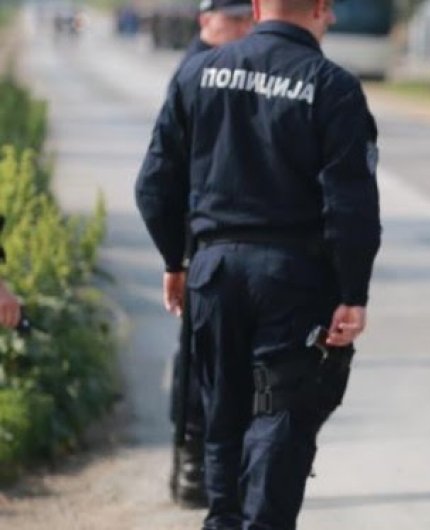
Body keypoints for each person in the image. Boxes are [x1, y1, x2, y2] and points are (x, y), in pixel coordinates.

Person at [135, 0, 381, 528]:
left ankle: (224, 518)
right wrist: (353, 293)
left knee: (222, 411)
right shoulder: (332, 86)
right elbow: (351, 205)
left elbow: (154, 184)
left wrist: (175, 260)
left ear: (255, 7)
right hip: (293, 278)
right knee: (280, 413)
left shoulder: (198, 72)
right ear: (319, 9)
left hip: (213, 272)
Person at [167, 0, 254, 510]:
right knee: (198, 358)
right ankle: (191, 461)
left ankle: (204, 465)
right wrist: (175, 257)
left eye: (247, 18)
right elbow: (170, 173)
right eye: (232, 19)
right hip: (201, 240)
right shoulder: (197, 71)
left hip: (218, 241)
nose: (242, 27)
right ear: (206, 21)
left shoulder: (239, 67)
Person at [181, 0, 255, 65]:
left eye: (249, 19)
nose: (245, 28)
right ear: (205, 20)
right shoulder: (195, 67)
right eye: (235, 19)